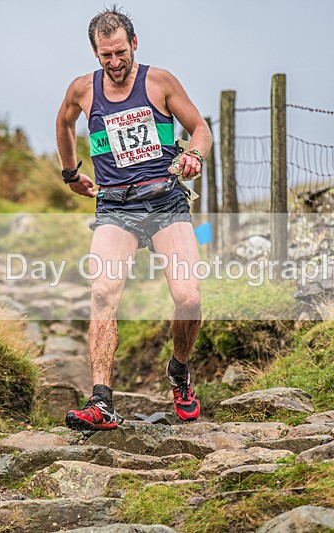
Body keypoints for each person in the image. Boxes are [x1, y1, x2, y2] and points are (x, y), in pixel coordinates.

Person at [55, 6, 212, 431]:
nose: (115, 62)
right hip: (115, 209)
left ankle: (179, 372)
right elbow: (64, 122)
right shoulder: (82, 90)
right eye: (105, 55)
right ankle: (101, 401)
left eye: (120, 52)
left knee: (189, 298)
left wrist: (194, 155)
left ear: (134, 44)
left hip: (165, 204)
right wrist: (71, 173)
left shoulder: (159, 82)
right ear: (95, 52)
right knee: (103, 292)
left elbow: (200, 128)